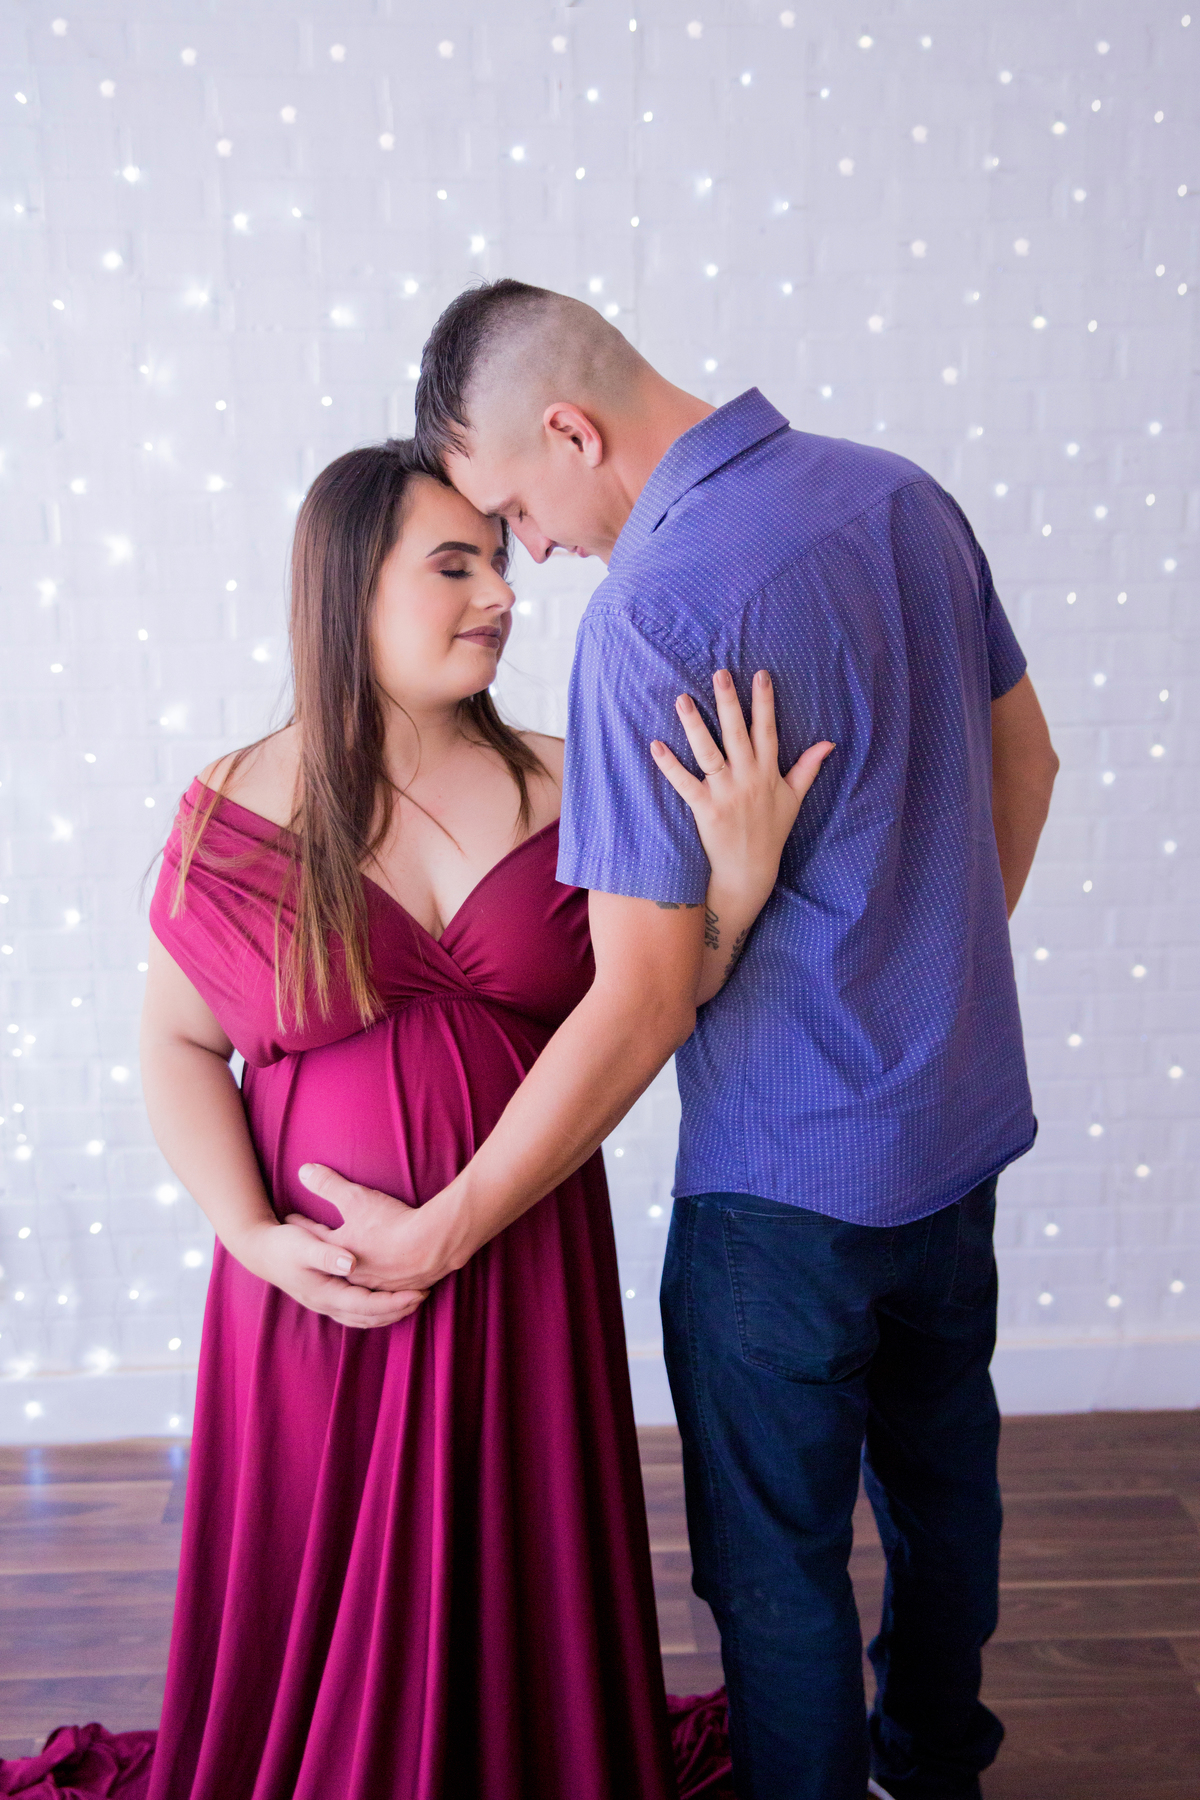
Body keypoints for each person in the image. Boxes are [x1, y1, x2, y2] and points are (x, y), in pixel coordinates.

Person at [299, 280, 1058, 1800]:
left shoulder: (654, 612)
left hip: (780, 1191)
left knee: (775, 1575)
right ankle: (934, 1772)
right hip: (957, 1134)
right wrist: (926, 974)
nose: (542, 556)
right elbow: (1026, 758)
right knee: (944, 1500)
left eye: (523, 505)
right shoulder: (904, 497)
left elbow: (639, 1002)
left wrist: (441, 1232)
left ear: (572, 430)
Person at [2, 439, 824, 1800]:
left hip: (519, 1260)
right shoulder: (237, 803)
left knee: (514, 1571)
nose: (498, 593)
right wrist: (253, 1237)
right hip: (318, 1303)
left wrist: (733, 885)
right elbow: (176, 1039)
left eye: (500, 562)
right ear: (345, 585)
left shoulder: (580, 781)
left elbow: (652, 1001)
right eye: (454, 564)